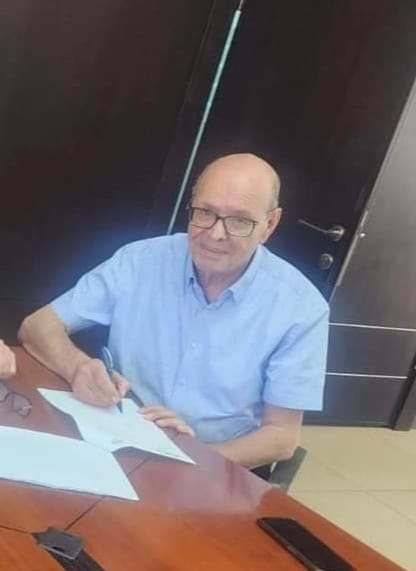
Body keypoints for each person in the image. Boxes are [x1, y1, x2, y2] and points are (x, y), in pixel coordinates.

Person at [18, 153, 329, 469]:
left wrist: (189, 459)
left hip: (211, 463)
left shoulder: (300, 308)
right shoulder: (141, 261)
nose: (216, 234)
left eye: (239, 221)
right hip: (118, 438)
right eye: (205, 212)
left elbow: (281, 437)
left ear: (269, 224)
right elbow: (37, 326)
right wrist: (77, 367)